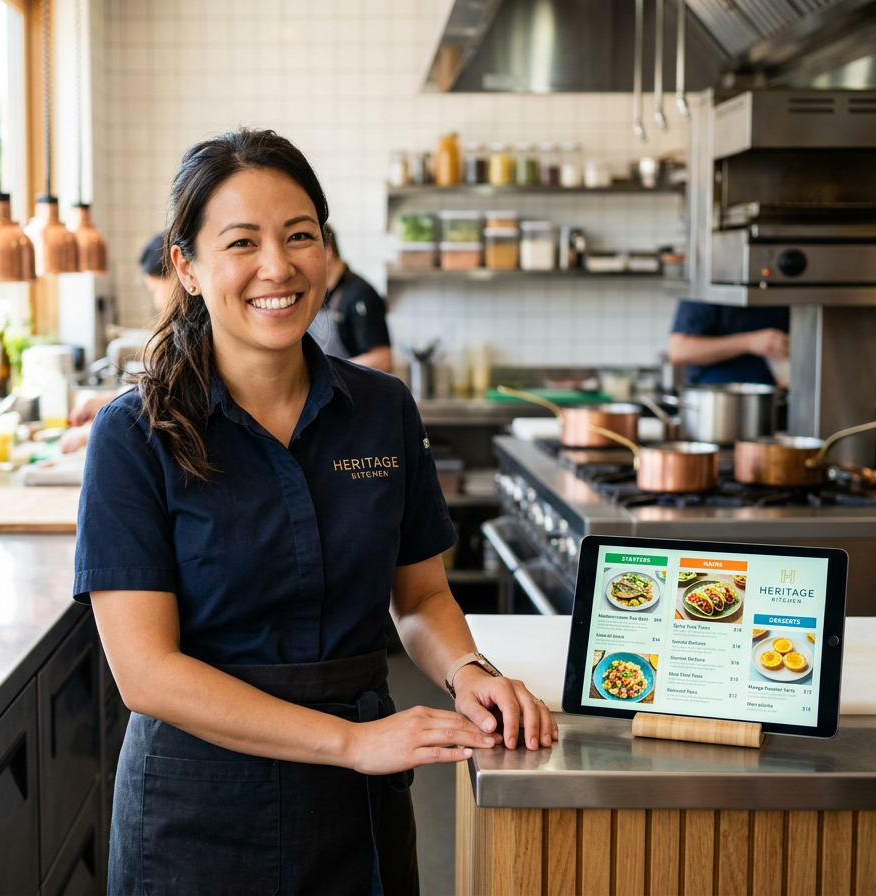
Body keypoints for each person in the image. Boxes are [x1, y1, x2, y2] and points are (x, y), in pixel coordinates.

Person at [73, 129, 553, 896]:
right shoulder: (134, 435)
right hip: (197, 809)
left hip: (354, 810)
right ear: (187, 267)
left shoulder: (381, 409)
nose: (278, 266)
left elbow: (421, 596)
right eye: (242, 242)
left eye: (301, 236)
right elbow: (147, 674)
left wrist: (466, 672)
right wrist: (351, 743)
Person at [60, 233, 173, 452]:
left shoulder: (198, 328)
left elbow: (175, 405)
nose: (158, 302)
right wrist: (110, 401)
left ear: (179, 270)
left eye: (155, 289)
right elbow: (166, 392)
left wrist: (97, 427)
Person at [306, 224, 393, 371]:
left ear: (327, 253)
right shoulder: (323, 292)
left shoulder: (361, 293)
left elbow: (383, 359)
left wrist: (327, 372)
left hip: (353, 390)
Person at [667, 300, 790, 386]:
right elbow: (679, 350)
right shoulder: (709, 282)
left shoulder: (782, 290)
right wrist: (749, 342)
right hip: (719, 405)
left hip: (776, 400)